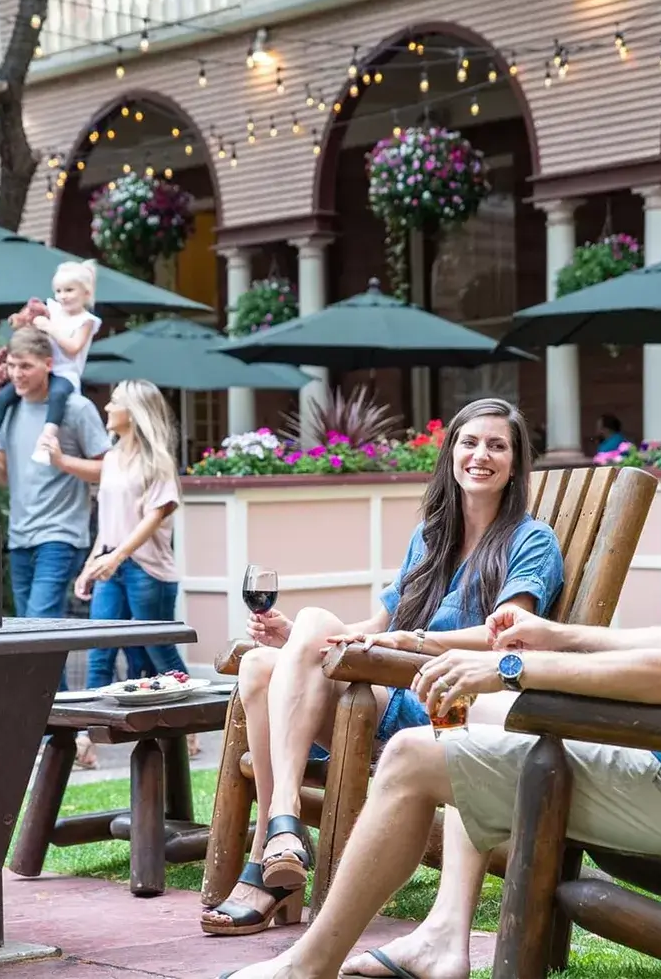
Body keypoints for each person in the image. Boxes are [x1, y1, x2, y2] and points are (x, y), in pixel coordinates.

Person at [221, 360, 661, 979]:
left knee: (409, 754)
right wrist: (560, 636)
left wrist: (511, 667)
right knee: (468, 716)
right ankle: (445, 933)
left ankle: (305, 965)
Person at [200, 397, 565, 937]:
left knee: (297, 638)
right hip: (387, 695)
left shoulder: (531, 541)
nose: (481, 455)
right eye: (470, 442)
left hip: (445, 706)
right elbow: (375, 624)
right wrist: (296, 638)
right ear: (451, 453)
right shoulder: (432, 536)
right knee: (260, 662)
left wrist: (414, 639)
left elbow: (507, 632)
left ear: (515, 463)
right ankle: (281, 836)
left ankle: (275, 847)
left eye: (497, 446)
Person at [43, 379, 201, 760]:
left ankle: (191, 727)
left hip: (148, 571)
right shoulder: (112, 459)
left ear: (133, 413)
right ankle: (85, 743)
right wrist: (92, 564)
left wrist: (116, 558)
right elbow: (109, 522)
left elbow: (154, 517)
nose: (107, 407)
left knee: (157, 653)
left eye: (114, 402)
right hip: (113, 563)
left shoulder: (157, 461)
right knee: (99, 651)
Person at [0, 325, 111, 694]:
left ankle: (47, 736)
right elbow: (5, 479)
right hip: (20, 535)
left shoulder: (76, 408)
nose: (17, 373)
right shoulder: (10, 410)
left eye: (26, 366)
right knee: (36, 634)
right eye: (13, 365)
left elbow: (108, 468)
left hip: (61, 534)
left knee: (37, 627)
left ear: (48, 364)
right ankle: (57, 726)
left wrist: (62, 462)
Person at [0, 259, 103, 466]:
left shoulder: (86, 321)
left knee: (58, 395)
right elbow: (31, 316)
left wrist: (50, 328)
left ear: (86, 293)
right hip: (42, 369)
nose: (63, 296)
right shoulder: (53, 309)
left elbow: (73, 347)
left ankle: (46, 440)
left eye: (69, 290)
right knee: (4, 396)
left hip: (64, 372)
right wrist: (22, 321)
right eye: (59, 291)